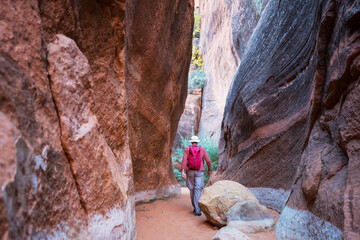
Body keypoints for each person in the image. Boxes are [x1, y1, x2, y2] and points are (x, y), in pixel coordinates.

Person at [181, 135, 211, 216]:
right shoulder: (202, 149)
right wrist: (209, 169)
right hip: (199, 171)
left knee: (192, 189)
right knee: (198, 189)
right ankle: (198, 210)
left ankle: (195, 207)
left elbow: (184, 160)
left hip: (190, 171)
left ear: (191, 142)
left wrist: (183, 171)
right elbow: (208, 160)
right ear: (198, 142)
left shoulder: (187, 149)